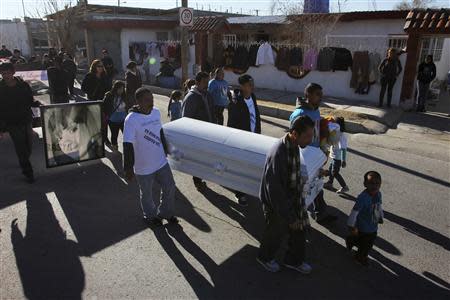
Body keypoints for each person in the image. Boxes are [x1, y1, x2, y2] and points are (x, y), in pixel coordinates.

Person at [257, 115, 315, 274]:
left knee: (299, 231)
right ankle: (265, 258)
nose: (310, 140)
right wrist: (290, 217)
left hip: (291, 199)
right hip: (277, 204)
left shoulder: (294, 144)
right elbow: (275, 191)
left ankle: (293, 261)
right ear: (295, 134)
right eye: (307, 136)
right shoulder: (279, 152)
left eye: (312, 135)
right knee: (275, 233)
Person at [123, 87, 179, 227]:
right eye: (147, 100)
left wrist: (166, 149)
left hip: (160, 161)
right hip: (143, 166)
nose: (151, 102)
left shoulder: (155, 113)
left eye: (152, 99)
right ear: (138, 102)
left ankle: (166, 212)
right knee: (147, 194)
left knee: (170, 186)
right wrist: (128, 168)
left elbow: (160, 132)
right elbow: (127, 145)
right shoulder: (131, 119)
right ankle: (150, 216)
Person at [290, 83, 337, 224]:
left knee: (316, 183)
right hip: (304, 155)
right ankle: (310, 214)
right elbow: (294, 136)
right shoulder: (300, 114)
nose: (321, 97)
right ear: (308, 95)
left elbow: (315, 129)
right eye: (318, 94)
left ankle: (319, 211)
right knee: (308, 185)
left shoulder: (315, 111)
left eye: (321, 95)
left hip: (315, 152)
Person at [0, 62, 41, 183]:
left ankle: (24, 160)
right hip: (11, 123)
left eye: (7, 73)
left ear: (13, 72)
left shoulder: (23, 85)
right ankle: (28, 171)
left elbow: (30, 100)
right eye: (3, 73)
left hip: (26, 120)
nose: (5, 76)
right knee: (21, 148)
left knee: (28, 146)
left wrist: (39, 104)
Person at [228, 74, 261, 206]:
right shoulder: (235, 103)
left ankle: (247, 188)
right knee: (240, 168)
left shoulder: (252, 97)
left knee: (250, 166)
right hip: (242, 141)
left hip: (254, 137)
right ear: (242, 86)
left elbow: (256, 116)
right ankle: (240, 193)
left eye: (252, 83)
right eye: (249, 84)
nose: (252, 86)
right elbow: (231, 125)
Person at [182, 71, 217, 190]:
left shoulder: (208, 94)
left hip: (209, 133)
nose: (207, 84)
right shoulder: (191, 97)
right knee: (197, 160)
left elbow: (212, 111)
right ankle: (197, 181)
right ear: (197, 82)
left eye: (208, 82)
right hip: (197, 136)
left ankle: (203, 176)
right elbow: (185, 120)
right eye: (205, 82)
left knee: (205, 158)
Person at [346, 171, 383, 266]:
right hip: (363, 227)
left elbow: (378, 206)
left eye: (377, 183)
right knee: (365, 245)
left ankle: (351, 241)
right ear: (365, 184)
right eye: (371, 183)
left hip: (373, 227)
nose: (374, 186)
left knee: (366, 243)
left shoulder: (378, 194)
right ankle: (360, 258)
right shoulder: (362, 198)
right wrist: (351, 225)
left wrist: (379, 217)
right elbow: (354, 212)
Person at [324, 117, 349, 194]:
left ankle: (344, 186)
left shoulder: (341, 136)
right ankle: (329, 183)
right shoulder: (335, 133)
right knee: (331, 169)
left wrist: (343, 160)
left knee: (335, 172)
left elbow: (343, 149)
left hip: (338, 158)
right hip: (334, 156)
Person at [103, 81, 128, 150]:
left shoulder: (124, 96)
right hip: (113, 120)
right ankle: (115, 147)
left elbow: (128, 106)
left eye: (123, 89)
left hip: (123, 119)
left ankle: (128, 149)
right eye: (119, 89)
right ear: (115, 88)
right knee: (114, 135)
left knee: (127, 135)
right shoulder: (109, 95)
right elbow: (104, 107)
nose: (121, 90)